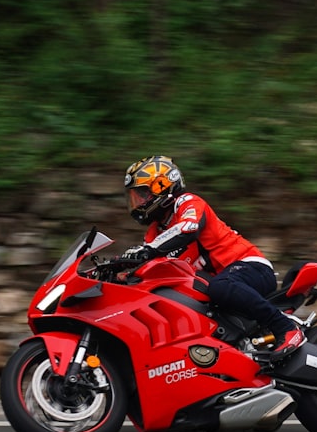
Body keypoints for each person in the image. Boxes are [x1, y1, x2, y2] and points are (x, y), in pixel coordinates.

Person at [121, 155, 306, 361]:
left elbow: (187, 228)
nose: (137, 202)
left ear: (162, 187)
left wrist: (148, 251)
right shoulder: (155, 232)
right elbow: (146, 264)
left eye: (142, 194)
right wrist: (121, 273)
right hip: (216, 283)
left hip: (251, 267)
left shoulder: (187, 202)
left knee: (221, 286)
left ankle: (286, 328)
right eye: (134, 197)